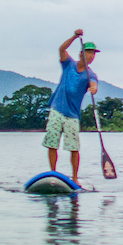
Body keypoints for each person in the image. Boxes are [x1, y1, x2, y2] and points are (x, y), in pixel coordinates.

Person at [43, 29, 99, 186]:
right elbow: (61, 49)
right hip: (56, 109)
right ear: (82, 54)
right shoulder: (69, 64)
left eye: (93, 54)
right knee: (52, 143)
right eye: (89, 53)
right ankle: (53, 173)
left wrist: (93, 88)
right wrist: (75, 36)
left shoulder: (90, 74)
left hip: (72, 115)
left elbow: (94, 84)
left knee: (74, 148)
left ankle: (74, 177)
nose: (91, 56)